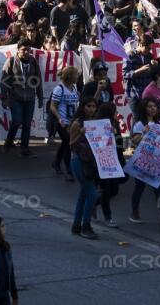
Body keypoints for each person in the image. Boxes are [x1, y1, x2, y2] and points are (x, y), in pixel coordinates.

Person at [67, 97, 100, 239]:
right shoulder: (77, 123)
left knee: (84, 194)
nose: (91, 109)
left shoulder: (95, 122)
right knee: (92, 195)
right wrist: (81, 133)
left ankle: (76, 225)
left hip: (90, 162)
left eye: (93, 106)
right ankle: (86, 226)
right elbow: (71, 145)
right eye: (88, 106)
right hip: (78, 161)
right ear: (83, 107)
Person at [0, 43, 39, 156]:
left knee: (27, 124)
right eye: (23, 50)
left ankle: (24, 149)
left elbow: (38, 78)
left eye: (28, 49)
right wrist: (4, 98)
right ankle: (8, 142)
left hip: (30, 98)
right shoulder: (11, 61)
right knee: (17, 121)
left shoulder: (33, 61)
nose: (26, 52)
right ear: (18, 50)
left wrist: (40, 97)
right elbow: (4, 81)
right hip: (15, 98)